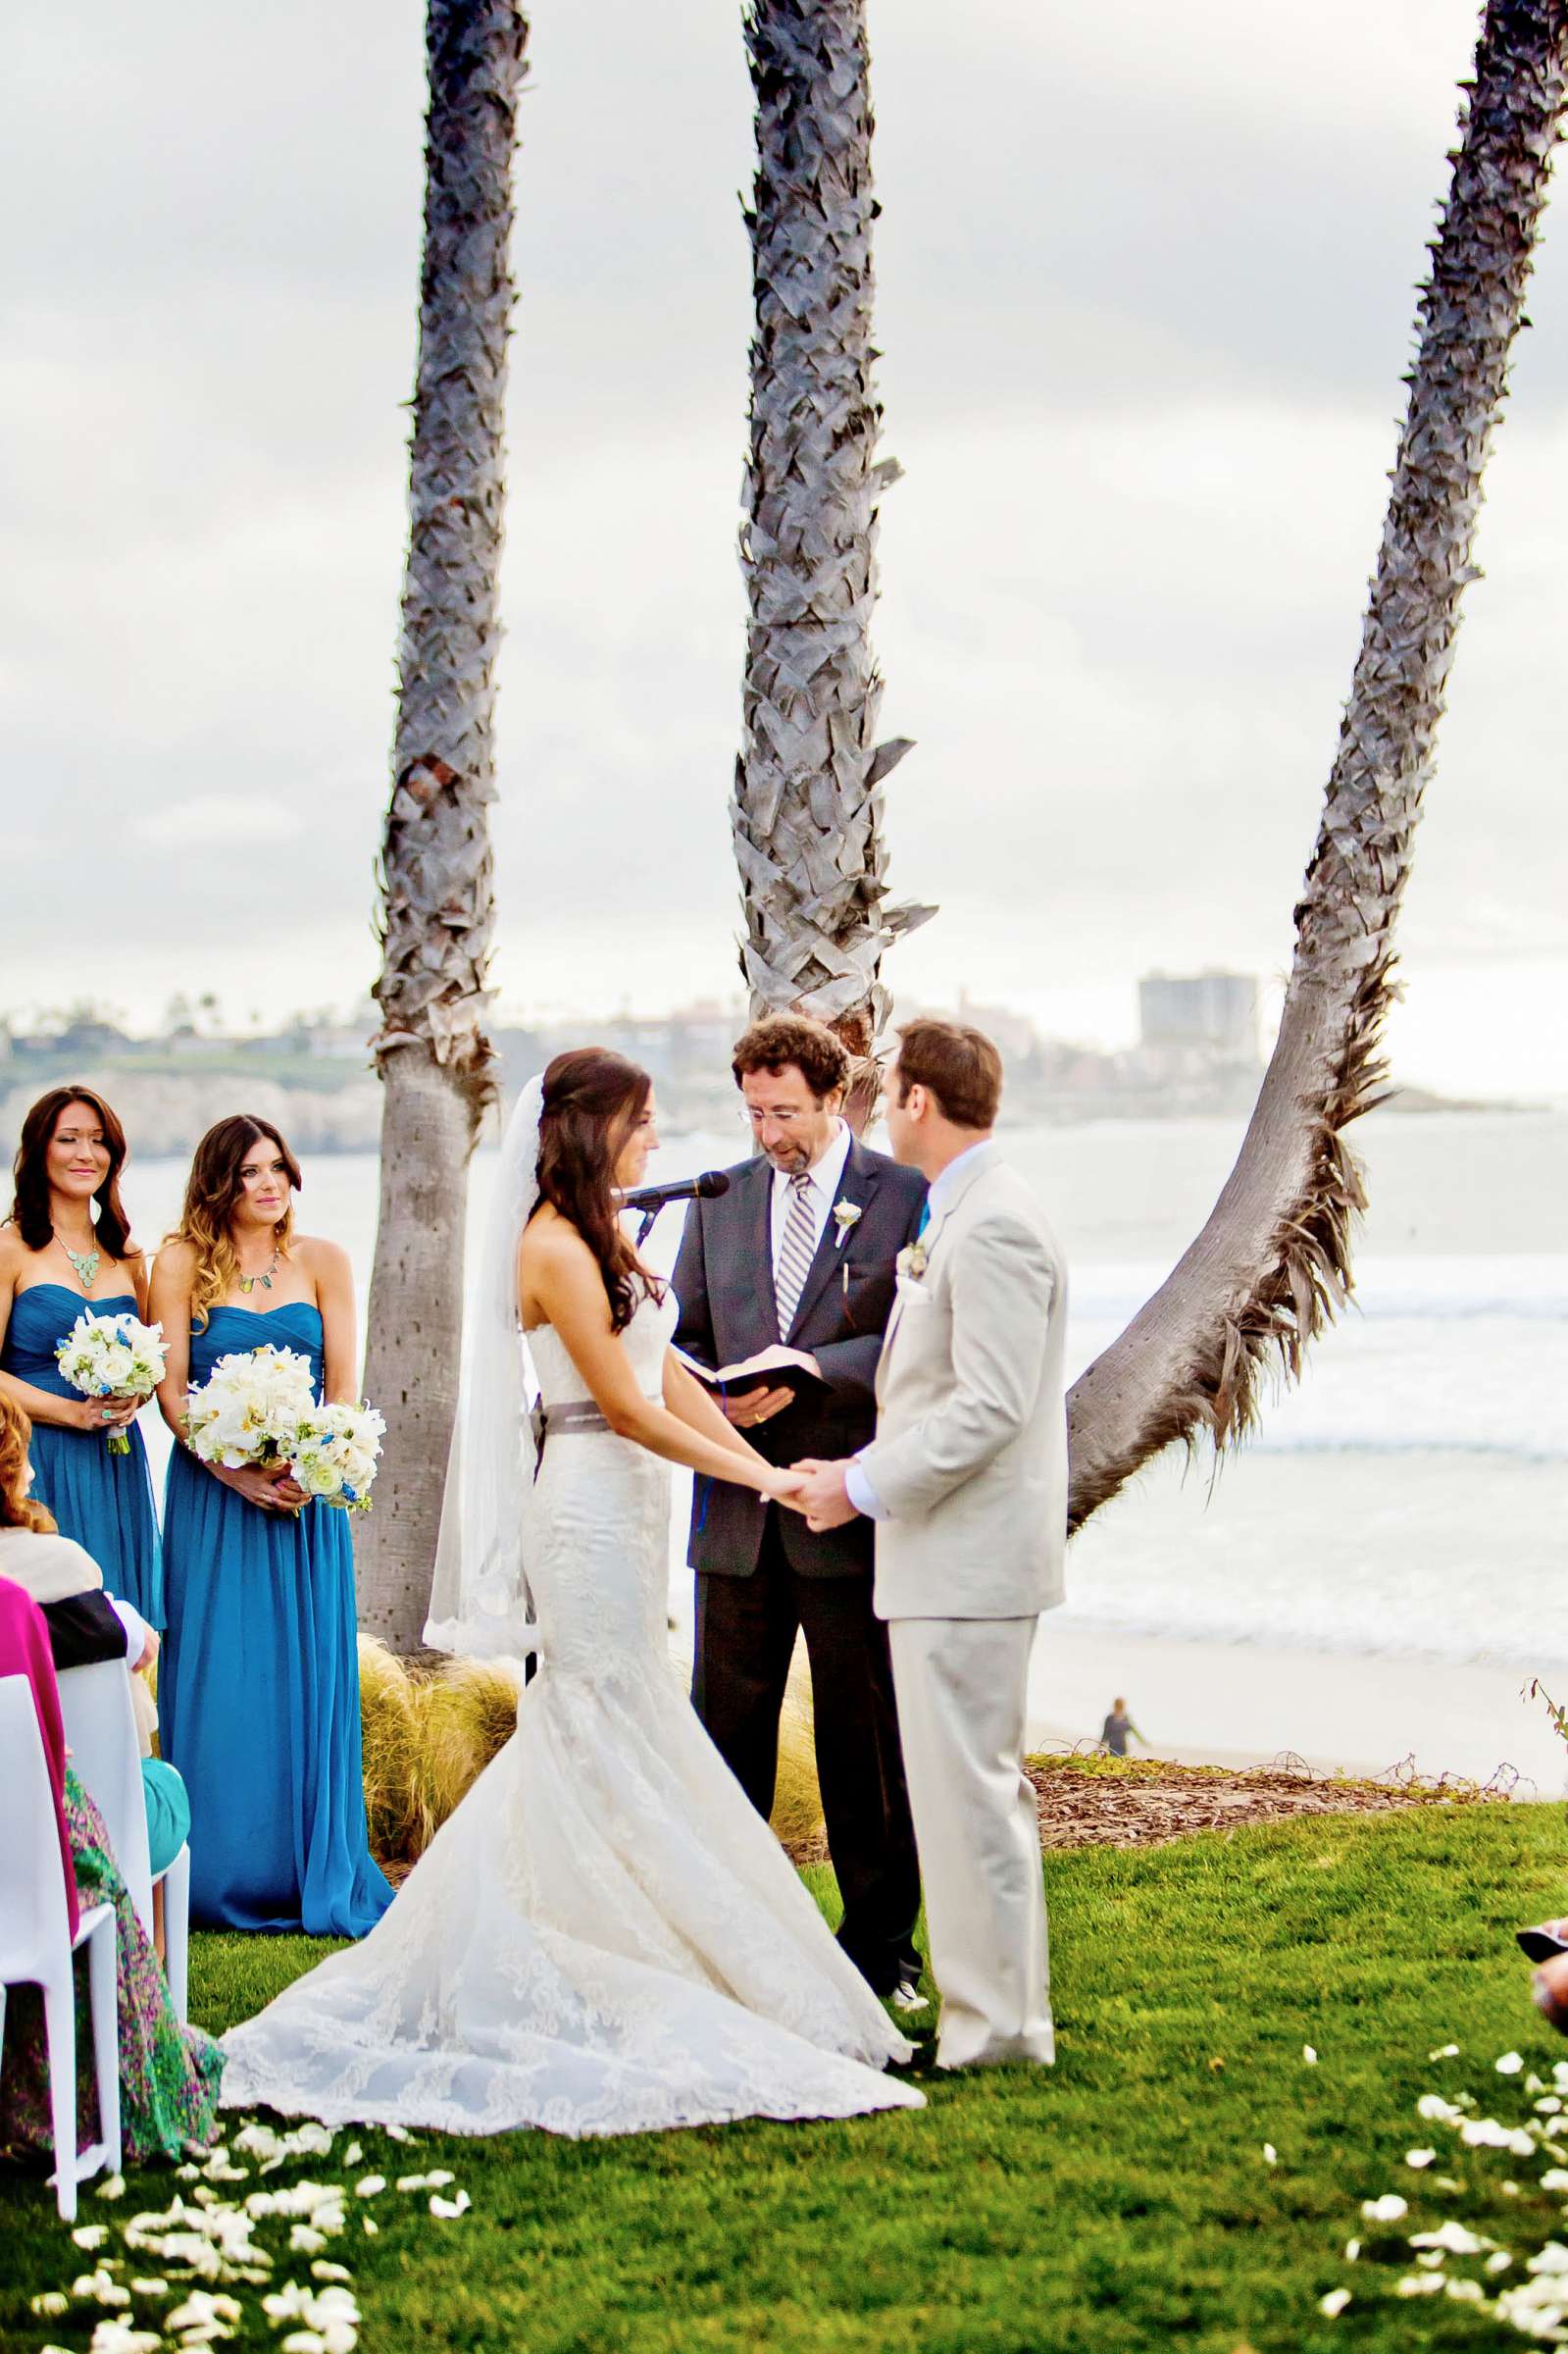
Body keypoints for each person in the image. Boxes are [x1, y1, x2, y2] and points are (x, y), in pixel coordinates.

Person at [218, 1049, 925, 2136]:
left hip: (638, 1516)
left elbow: (664, 1369)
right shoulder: (547, 1245)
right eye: (645, 1122)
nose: (659, 1140)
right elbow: (626, 1409)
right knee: (597, 1719)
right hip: (590, 1507)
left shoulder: (606, 1234)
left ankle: (646, 1934)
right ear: (595, 1129)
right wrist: (762, 1476)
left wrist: (731, 1422)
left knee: (627, 1722)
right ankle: (569, 1943)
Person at [793, 1019, 1069, 2073]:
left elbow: (989, 1406)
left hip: (969, 1560)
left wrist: (858, 1486)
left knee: (972, 1799)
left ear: (916, 1102)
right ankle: (983, 2021)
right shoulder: (964, 1210)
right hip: (949, 1558)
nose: (879, 1102)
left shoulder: (993, 1221)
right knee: (960, 1801)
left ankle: (994, 2033)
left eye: (888, 1085)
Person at [672, 1012, 927, 2006]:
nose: (769, 1132)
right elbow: (684, 1334)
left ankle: (880, 1954)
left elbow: (916, 1342)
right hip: (734, 1511)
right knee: (724, 1738)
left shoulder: (901, 1196)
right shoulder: (719, 1197)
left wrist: (815, 1366)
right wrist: (718, 1392)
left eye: (785, 1112)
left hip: (843, 1509)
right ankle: (737, 1948)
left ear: (835, 1099)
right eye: (753, 1112)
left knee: (862, 1748)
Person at [150, 1115, 391, 1935]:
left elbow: (345, 1390)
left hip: (303, 1502)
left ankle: (306, 1867)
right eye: (250, 1170)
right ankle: (219, 1871)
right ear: (218, 1180)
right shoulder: (179, 1261)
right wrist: (232, 1470)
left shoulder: (324, 1260)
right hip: (214, 1501)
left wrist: (315, 1462)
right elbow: (172, 1394)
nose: (269, 1183)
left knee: (305, 1673)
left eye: (278, 1167)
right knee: (222, 1675)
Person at [0, 1575, 225, 2164]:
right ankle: (138, 2067)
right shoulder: (32, 1604)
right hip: (35, 1879)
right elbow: (51, 1758)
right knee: (104, 1860)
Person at [0, 1393, 189, 1922]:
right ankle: (137, 1990)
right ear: (16, 1470)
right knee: (157, 1785)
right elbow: (135, 1723)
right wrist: (125, 1629)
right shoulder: (70, 1576)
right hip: (65, 1830)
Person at [0, 1087, 163, 1623]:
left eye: (98, 1141)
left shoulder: (128, 1255)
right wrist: (74, 1412)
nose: (84, 1154)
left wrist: (133, 1393)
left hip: (114, 1459)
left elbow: (152, 1355)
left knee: (120, 1625)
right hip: (34, 1459)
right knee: (53, 1626)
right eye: (68, 1139)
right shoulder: (11, 1248)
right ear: (39, 1150)